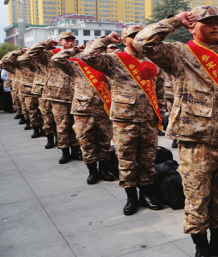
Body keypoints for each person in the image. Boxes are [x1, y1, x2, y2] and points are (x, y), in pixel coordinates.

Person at [134, 6, 218, 257]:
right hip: (195, 140)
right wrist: (174, 21)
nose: (214, 26)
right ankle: (201, 247)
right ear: (192, 27)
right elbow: (142, 42)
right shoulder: (179, 54)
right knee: (197, 196)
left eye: (217, 22)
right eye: (207, 22)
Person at [79, 25, 166, 215]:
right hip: (124, 120)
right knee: (126, 159)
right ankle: (131, 198)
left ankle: (146, 194)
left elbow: (160, 90)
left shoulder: (152, 61)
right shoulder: (114, 60)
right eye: (133, 36)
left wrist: (163, 112)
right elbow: (88, 57)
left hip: (149, 121)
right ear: (124, 40)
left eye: (140, 36)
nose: (138, 39)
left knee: (147, 160)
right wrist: (107, 40)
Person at [52, 44, 115, 183]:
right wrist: (74, 49)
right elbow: (56, 59)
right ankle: (92, 172)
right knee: (86, 141)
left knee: (105, 141)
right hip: (83, 110)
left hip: (104, 109)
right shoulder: (76, 65)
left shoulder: (108, 64)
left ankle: (104, 170)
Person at [28, 33, 80, 160]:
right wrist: (47, 43)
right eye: (67, 40)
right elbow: (31, 54)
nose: (70, 43)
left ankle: (75, 150)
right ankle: (65, 152)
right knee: (62, 125)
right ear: (60, 42)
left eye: (72, 40)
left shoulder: (79, 54)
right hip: (58, 96)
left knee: (75, 125)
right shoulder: (51, 55)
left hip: (77, 95)